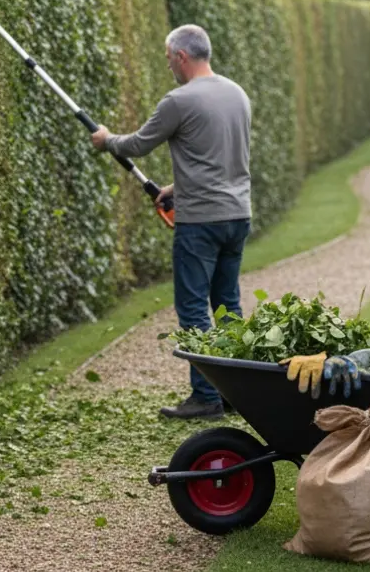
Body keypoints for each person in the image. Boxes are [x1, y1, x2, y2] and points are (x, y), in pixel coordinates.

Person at [90, 24, 252, 419]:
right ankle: (235, 391)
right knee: (227, 305)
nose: (169, 67)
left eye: (168, 59)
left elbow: (137, 145)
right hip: (237, 215)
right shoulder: (237, 94)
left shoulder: (179, 100)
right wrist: (177, 188)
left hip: (200, 224)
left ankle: (206, 397)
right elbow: (220, 158)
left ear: (181, 56)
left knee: (194, 308)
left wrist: (106, 139)